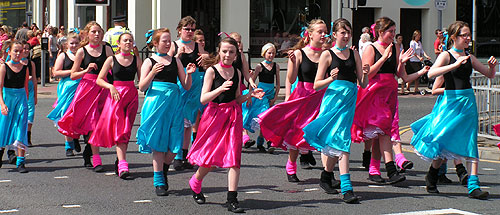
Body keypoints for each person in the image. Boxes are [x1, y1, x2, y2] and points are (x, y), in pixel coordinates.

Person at [411, 21, 497, 199]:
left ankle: (473, 185)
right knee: (445, 142)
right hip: (451, 103)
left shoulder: (470, 56)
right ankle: (432, 176)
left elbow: (489, 75)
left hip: (468, 102)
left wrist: (492, 67)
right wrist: (455, 65)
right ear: (454, 37)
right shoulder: (446, 55)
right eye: (464, 35)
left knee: (470, 142)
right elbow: (431, 74)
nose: (468, 38)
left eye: (468, 35)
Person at [186, 37, 263, 213]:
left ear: (236, 55)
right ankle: (196, 181)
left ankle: (232, 199)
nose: (228, 55)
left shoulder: (236, 72)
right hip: (214, 116)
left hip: (233, 116)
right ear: (219, 52)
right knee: (210, 159)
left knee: (234, 158)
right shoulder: (212, 71)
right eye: (225, 51)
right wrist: (219, 89)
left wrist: (251, 94)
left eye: (232, 52)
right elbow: (203, 98)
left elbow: (237, 98)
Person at [351, 17, 428, 184]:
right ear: (380, 32)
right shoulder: (371, 48)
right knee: (384, 131)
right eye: (390, 32)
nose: (393, 35)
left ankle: (374, 169)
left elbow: (403, 76)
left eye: (394, 31)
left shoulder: (395, 47)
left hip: (390, 94)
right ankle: (391, 169)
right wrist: (383, 58)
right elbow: (366, 75)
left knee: (381, 133)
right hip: (374, 94)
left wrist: (404, 64)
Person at [303, 18, 369, 203]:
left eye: (348, 32)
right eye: (343, 32)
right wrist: (330, 79)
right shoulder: (327, 55)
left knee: (339, 140)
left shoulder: (354, 54)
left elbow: (363, 83)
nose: (347, 36)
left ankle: (326, 176)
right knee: (340, 141)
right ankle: (347, 188)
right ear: (335, 34)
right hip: (332, 101)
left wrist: (366, 72)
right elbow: (316, 85)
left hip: (348, 101)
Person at [258, 19, 328, 182]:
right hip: (303, 96)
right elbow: (291, 78)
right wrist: (293, 62)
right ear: (310, 34)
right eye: (320, 32)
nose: (324, 35)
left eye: (325, 32)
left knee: (323, 134)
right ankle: (291, 165)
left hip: (321, 96)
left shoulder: (327, 53)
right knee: (296, 133)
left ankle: (327, 173)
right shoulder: (299, 53)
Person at [137, 28, 194, 196]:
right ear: (155, 43)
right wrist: (152, 73)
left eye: (169, 40)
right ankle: (158, 180)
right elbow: (142, 87)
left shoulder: (175, 61)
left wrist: (189, 74)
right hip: (155, 103)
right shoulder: (149, 61)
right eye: (164, 41)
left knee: (175, 144)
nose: (168, 43)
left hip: (174, 103)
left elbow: (186, 85)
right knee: (158, 142)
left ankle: (163, 169)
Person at [57, 21, 114, 170]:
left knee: (100, 123)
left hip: (102, 88)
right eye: (94, 32)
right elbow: (74, 75)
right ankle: (95, 157)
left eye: (99, 32)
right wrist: (86, 70)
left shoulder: (107, 49)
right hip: (87, 89)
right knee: (91, 123)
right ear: (88, 34)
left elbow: (114, 69)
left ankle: (88, 152)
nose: (97, 34)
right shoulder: (82, 51)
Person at [89, 33, 142, 179]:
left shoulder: (137, 59)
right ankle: (123, 165)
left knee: (126, 130)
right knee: (120, 130)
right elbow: (99, 79)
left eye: (131, 40)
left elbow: (143, 80)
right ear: (118, 44)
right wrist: (111, 87)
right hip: (116, 97)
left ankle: (120, 160)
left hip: (131, 97)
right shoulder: (111, 60)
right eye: (125, 40)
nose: (128, 43)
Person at [168, 16, 209, 171]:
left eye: (192, 29)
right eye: (187, 29)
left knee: (188, 123)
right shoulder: (174, 45)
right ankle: (177, 155)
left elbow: (206, 62)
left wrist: (206, 57)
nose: (190, 32)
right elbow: (168, 63)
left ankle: (184, 155)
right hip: (180, 84)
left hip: (195, 85)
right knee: (179, 122)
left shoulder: (197, 45)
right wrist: (178, 55)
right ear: (180, 30)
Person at [427, 74, 469, 186]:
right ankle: (459, 171)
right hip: (446, 107)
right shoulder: (444, 71)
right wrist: (453, 89)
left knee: (454, 139)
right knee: (446, 140)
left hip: (459, 106)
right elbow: (434, 90)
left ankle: (441, 173)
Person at [47, 32, 82, 157]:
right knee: (67, 116)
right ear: (67, 44)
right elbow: (55, 73)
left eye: (76, 43)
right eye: (71, 43)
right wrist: (73, 71)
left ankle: (76, 137)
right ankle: (68, 145)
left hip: (81, 88)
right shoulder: (63, 55)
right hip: (66, 89)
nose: (74, 45)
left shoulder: (82, 54)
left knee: (79, 115)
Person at [242, 43, 280, 153]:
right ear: (264, 53)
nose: (271, 55)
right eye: (269, 53)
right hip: (261, 93)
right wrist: (250, 95)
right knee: (264, 117)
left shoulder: (276, 66)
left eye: (273, 53)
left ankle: (261, 140)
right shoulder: (260, 66)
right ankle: (267, 141)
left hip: (270, 93)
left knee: (267, 118)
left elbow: (278, 83)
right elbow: (251, 81)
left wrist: (275, 96)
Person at [0, 41, 30, 173]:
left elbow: (25, 88)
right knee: (3, 129)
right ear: (9, 52)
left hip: (21, 99)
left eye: (20, 51)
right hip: (7, 99)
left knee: (21, 128)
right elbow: (0, 88)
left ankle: (20, 162)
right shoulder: (4, 67)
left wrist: (27, 103)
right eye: (15, 51)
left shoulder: (25, 67)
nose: (18, 54)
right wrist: (2, 104)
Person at [20, 41, 37, 148]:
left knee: (31, 111)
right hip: (20, 89)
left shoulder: (31, 63)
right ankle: (20, 135)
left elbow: (34, 79)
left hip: (30, 89)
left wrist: (36, 95)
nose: (26, 51)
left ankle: (28, 134)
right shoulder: (15, 62)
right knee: (21, 112)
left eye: (27, 48)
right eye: (24, 48)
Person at [406, 30, 431, 94]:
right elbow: (413, 52)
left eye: (419, 35)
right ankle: (408, 83)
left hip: (418, 61)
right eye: (418, 36)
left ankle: (416, 88)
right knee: (417, 74)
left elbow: (422, 51)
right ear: (415, 36)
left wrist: (426, 56)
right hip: (413, 60)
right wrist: (419, 57)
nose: (419, 37)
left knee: (418, 74)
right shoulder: (412, 42)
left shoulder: (419, 42)